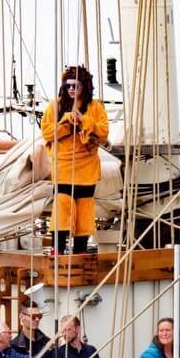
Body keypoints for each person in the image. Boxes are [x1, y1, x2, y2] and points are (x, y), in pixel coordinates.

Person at [39, 65, 110, 255]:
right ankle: (58, 249)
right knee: (62, 207)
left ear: (84, 86)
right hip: (63, 168)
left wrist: (85, 121)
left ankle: (80, 250)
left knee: (85, 209)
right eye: (68, 85)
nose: (71, 89)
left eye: (75, 85)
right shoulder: (55, 106)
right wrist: (68, 123)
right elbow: (47, 133)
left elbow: (103, 132)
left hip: (87, 168)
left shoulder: (95, 107)